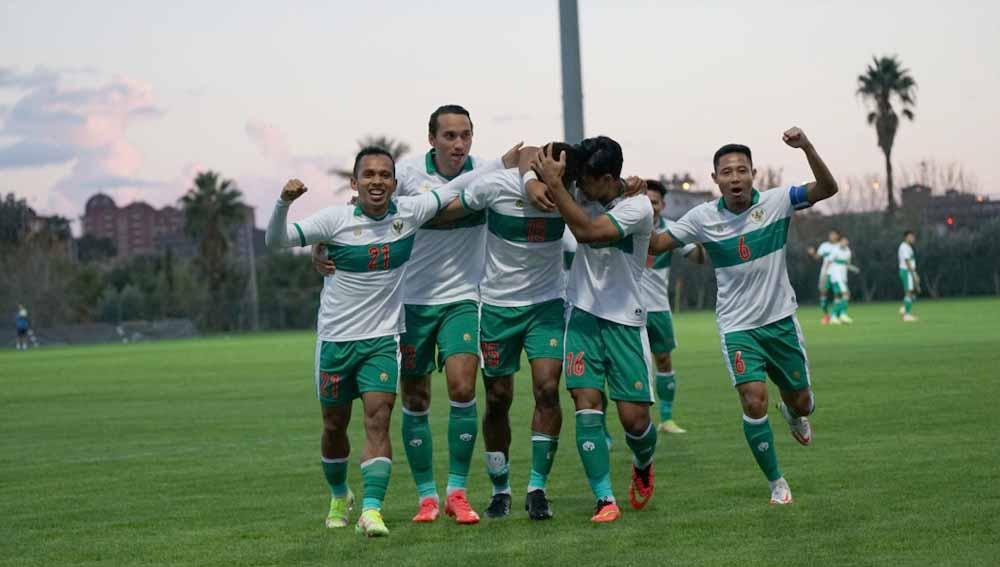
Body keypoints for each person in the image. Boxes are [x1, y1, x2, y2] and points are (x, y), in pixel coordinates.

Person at [265, 145, 508, 536]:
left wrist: (502, 163)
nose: (377, 181)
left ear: (395, 184)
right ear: (354, 182)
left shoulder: (408, 213)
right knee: (334, 426)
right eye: (369, 175)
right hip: (335, 341)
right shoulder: (334, 220)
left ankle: (372, 510)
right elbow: (277, 241)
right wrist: (283, 202)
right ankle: (340, 495)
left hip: (382, 340)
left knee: (378, 420)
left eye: (384, 175)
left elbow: (455, 186)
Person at [312, 106, 521, 525]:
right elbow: (353, 213)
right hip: (408, 303)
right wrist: (320, 248)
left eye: (465, 135)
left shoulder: (487, 173)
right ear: (432, 139)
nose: (458, 144)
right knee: (415, 399)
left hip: (464, 298)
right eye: (449, 136)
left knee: (463, 387)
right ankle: (427, 497)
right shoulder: (405, 174)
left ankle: (457, 492)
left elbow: (529, 181)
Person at [649, 127, 839, 504]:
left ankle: (794, 413)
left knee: (803, 402)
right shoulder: (701, 217)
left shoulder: (778, 201)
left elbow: (827, 188)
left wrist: (807, 147)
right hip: (737, 328)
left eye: (741, 170)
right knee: (753, 401)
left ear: (753, 173)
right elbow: (656, 243)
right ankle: (777, 483)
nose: (735, 178)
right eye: (727, 172)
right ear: (715, 178)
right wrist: (632, 209)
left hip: (781, 322)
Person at [431, 142, 583, 519]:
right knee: (498, 398)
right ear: (538, 164)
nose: (558, 179)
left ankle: (537, 489)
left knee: (547, 388)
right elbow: (447, 212)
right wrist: (392, 220)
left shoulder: (571, 195)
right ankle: (500, 489)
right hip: (497, 307)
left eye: (564, 175)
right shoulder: (496, 186)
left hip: (547, 305)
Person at [529, 137, 658, 523]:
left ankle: (643, 461)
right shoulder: (578, 191)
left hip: (625, 322)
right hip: (582, 316)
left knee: (635, 421)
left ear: (608, 178)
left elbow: (587, 231)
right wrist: (537, 179)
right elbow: (529, 158)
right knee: (586, 406)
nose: (579, 187)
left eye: (586, 180)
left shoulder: (637, 206)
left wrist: (555, 186)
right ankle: (605, 499)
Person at [641, 181, 705, 434]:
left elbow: (697, 258)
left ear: (662, 205)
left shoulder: (671, 229)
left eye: (654, 202)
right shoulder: (627, 224)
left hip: (658, 308)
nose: (650, 207)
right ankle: (637, 423)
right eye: (645, 201)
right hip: (626, 310)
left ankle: (666, 419)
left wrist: (702, 237)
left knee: (664, 361)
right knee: (632, 366)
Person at [807, 230, 841, 324]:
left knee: (838, 294)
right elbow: (817, 257)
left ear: (838, 236)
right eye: (830, 234)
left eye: (834, 234)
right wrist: (812, 253)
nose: (832, 236)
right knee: (823, 293)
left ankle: (835, 315)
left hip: (837, 273)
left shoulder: (840, 246)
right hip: (825, 273)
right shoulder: (824, 246)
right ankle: (826, 315)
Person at [827, 237, 855, 325]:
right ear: (840, 242)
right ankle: (842, 314)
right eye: (843, 241)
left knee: (838, 296)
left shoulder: (848, 251)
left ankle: (834, 317)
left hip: (843, 275)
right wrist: (827, 275)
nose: (844, 243)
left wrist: (853, 268)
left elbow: (847, 264)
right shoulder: (835, 250)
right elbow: (829, 262)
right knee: (846, 293)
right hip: (836, 275)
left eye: (846, 241)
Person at [898, 230, 919, 322]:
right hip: (906, 271)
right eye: (911, 237)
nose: (913, 238)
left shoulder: (907, 247)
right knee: (909, 293)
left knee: (910, 293)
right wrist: (914, 274)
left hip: (907, 271)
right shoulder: (904, 247)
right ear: (906, 237)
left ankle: (904, 308)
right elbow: (907, 261)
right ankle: (907, 315)